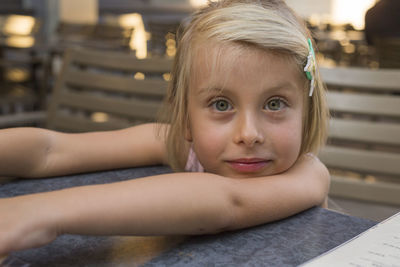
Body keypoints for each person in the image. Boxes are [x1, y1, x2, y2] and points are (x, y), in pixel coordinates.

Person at [0, 0, 330, 257]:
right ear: (184, 117)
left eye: (274, 104)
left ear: (306, 112)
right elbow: (52, 151)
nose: (249, 133)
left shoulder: (308, 175)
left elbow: (227, 203)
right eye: (221, 104)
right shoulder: (183, 146)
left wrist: (39, 211)